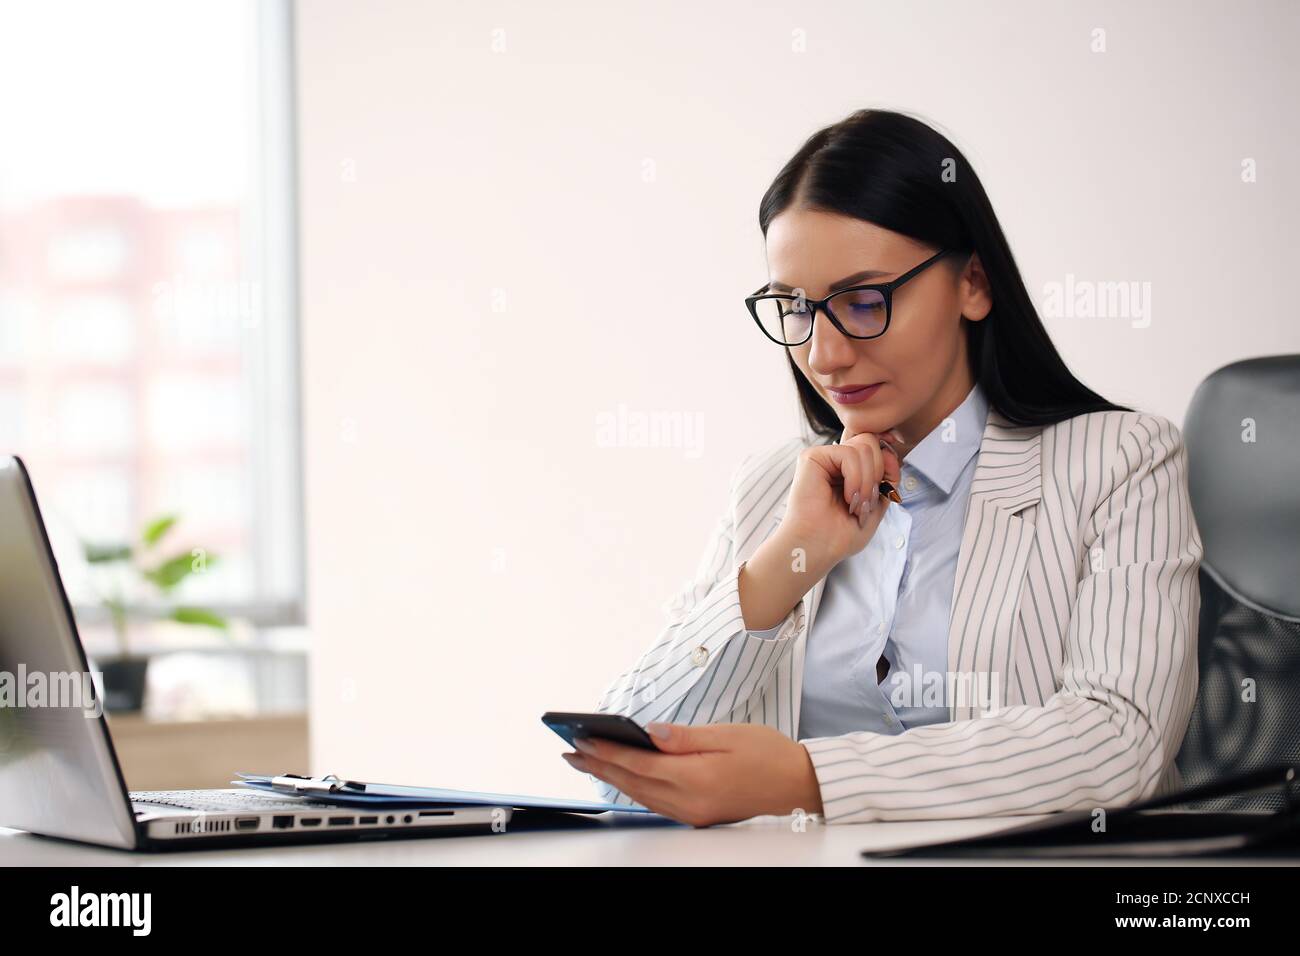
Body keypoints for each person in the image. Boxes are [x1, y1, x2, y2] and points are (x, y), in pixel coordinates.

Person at [561, 109, 1202, 827]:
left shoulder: (1120, 462)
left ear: (975, 284)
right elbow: (620, 774)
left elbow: (1118, 743)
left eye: (864, 302)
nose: (824, 355)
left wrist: (809, 779)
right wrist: (789, 561)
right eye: (795, 309)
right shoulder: (772, 486)